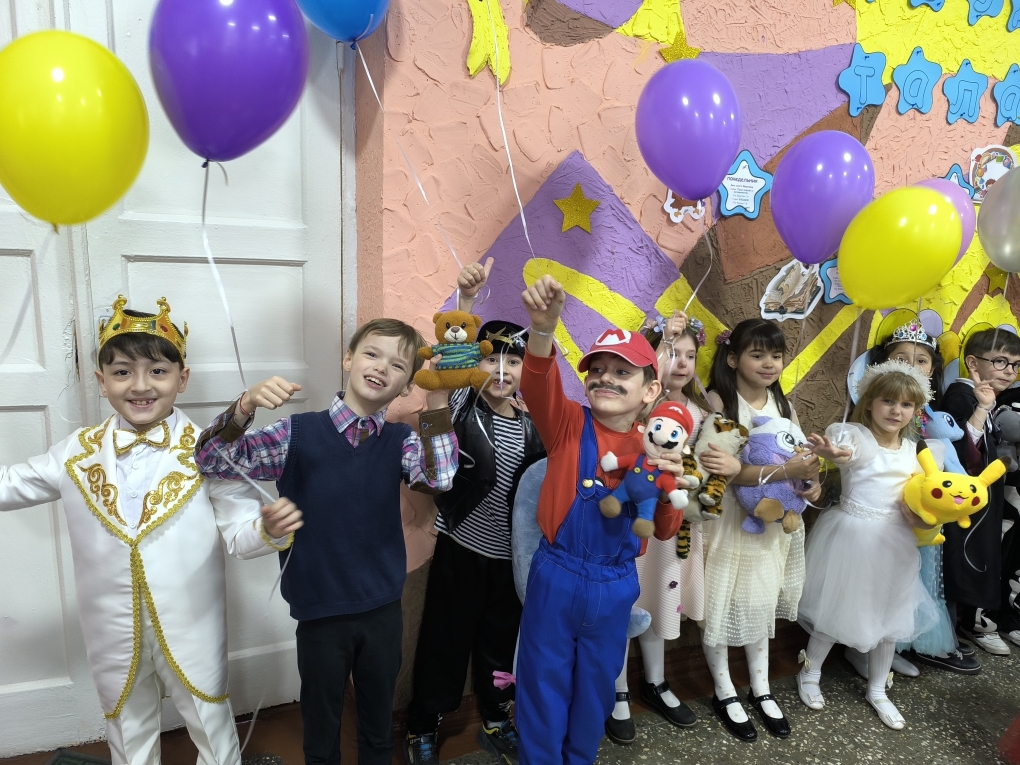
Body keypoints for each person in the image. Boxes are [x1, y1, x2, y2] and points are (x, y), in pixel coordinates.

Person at [0, 296, 304, 765]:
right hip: (110, 629)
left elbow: (240, 536)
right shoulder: (76, 452)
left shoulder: (210, 452)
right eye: (122, 372)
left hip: (192, 626)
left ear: (183, 378)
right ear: (101, 381)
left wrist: (267, 529)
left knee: (210, 722)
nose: (140, 385)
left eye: (157, 371)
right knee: (127, 725)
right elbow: (9, 485)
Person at [194, 318, 458, 765]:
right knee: (321, 729)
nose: (381, 367)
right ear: (349, 358)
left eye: (398, 365)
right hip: (319, 612)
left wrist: (437, 404)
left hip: (382, 609)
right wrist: (245, 405)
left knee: (377, 728)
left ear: (406, 385)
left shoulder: (401, 441)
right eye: (371, 353)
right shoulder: (295, 433)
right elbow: (212, 461)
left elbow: (440, 477)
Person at [514, 275, 685, 765]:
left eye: (622, 371)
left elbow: (666, 529)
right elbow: (537, 383)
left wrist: (671, 485)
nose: (605, 378)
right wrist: (542, 330)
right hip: (557, 575)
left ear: (650, 391)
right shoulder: (568, 423)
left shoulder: (657, 450)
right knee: (541, 686)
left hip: (615, 584)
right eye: (597, 369)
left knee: (595, 691)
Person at [404, 261, 544, 765]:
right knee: (444, 641)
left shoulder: (532, 423)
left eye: (514, 362)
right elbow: (450, 357)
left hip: (511, 559)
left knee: (498, 645)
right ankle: (423, 724)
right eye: (492, 360)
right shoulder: (464, 403)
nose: (501, 372)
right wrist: (465, 301)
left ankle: (495, 716)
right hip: (461, 549)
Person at [606, 311, 741, 744]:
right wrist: (663, 340)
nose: (681, 362)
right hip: (635, 523)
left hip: (675, 524)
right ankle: (617, 688)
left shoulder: (701, 412)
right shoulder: (640, 407)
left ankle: (656, 680)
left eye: (689, 355)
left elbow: (709, 462)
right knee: (625, 603)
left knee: (659, 600)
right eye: (671, 352)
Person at [797, 360, 941, 730]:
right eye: (887, 401)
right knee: (835, 610)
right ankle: (809, 673)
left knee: (890, 617)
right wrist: (833, 454)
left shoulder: (914, 450)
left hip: (895, 542)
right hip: (853, 538)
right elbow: (847, 454)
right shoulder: (856, 437)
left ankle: (878, 689)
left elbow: (928, 496)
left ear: (915, 410)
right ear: (871, 402)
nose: (896, 410)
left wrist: (926, 518)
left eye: (906, 404)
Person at [702, 319, 820, 742]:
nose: (769, 363)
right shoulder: (720, 401)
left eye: (776, 355)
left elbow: (799, 456)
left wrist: (810, 480)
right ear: (733, 359)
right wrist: (784, 471)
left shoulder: (783, 404)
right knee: (718, 602)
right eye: (757, 355)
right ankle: (724, 690)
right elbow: (722, 469)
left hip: (772, 523)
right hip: (730, 519)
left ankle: (761, 686)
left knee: (760, 600)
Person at [852, 317, 978, 676]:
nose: (911, 366)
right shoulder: (876, 413)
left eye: (921, 360)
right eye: (901, 358)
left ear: (932, 370)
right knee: (867, 584)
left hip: (918, 513)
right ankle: (859, 648)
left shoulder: (927, 415)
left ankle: (892, 646)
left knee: (906, 586)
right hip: (877, 511)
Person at [940, 327, 1020, 656]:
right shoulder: (962, 396)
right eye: (1000, 361)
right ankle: (961, 630)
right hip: (963, 500)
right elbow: (962, 451)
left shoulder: (984, 397)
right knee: (963, 564)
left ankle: (969, 625)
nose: (1009, 371)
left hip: (982, 500)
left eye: (1015, 365)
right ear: (973, 363)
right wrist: (983, 409)